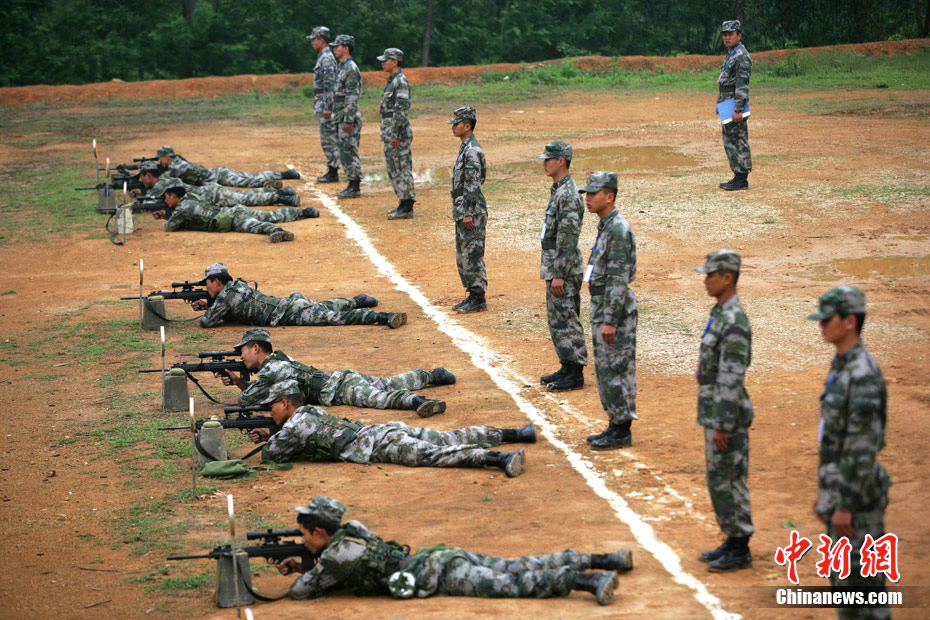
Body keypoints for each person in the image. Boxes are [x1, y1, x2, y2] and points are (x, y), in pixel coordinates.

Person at [275, 496, 633, 605]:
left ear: (320, 532)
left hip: (441, 573)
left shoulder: (337, 557)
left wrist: (305, 567)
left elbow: (301, 592)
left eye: (305, 535)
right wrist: (311, 557)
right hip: (442, 557)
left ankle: (587, 580)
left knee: (513, 584)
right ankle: (604, 558)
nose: (303, 540)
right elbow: (340, 565)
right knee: (517, 565)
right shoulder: (353, 531)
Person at [808, 286, 892, 620]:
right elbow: (834, 441)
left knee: (864, 594)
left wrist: (844, 504)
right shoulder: (842, 365)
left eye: (828, 319)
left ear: (850, 322)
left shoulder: (862, 374)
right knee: (846, 589)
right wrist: (826, 493)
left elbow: (861, 446)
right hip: (840, 492)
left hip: (857, 503)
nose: (821, 325)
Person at [251, 381, 533, 478]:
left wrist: (271, 436)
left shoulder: (292, 428)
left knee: (435, 455)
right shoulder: (310, 411)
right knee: (448, 436)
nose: (269, 412)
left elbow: (271, 456)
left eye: (271, 407)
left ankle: (499, 459)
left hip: (380, 445)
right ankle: (515, 433)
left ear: (285, 403)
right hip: (383, 430)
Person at [222, 328, 455, 418]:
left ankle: (418, 400)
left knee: (381, 398)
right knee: (388, 383)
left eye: (242, 350)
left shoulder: (269, 370)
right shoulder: (279, 359)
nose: (240, 356)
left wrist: (238, 385)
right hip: (341, 378)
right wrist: (239, 381)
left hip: (340, 389)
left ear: (255, 348)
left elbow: (247, 399)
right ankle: (431, 375)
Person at [694, 250, 754, 572]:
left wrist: (722, 423)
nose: (706, 280)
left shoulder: (733, 320)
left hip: (725, 416)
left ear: (727, 278)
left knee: (730, 480)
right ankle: (731, 539)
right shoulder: (720, 313)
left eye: (710, 275)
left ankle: (740, 546)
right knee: (720, 479)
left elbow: (733, 376)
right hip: (716, 410)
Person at [578, 172, 637, 450]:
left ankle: (622, 429)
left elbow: (618, 278)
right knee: (605, 368)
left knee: (616, 367)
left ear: (609, 196)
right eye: (587, 194)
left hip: (614, 310)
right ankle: (615, 423)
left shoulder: (617, 229)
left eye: (593, 194)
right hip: (602, 305)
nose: (588, 198)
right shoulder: (606, 225)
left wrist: (611, 320)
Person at [189, 263, 406, 329]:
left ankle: (381, 317)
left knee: (332, 318)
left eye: (207, 283)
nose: (205, 287)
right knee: (325, 307)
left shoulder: (225, 298)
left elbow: (207, 322)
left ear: (217, 281)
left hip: (286, 314)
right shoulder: (238, 285)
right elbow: (236, 309)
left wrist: (208, 306)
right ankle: (358, 300)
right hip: (290, 303)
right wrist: (210, 301)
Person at [536, 141, 587, 392]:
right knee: (558, 318)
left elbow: (567, 238)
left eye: (548, 159)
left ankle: (575, 372)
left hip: (563, 267)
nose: (544, 163)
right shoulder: (559, 189)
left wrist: (559, 274)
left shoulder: (567, 194)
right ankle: (567, 365)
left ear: (561, 162)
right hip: (556, 264)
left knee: (566, 317)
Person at [153, 185, 316, 243]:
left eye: (166, 197)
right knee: (269, 215)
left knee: (255, 226)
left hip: (231, 218)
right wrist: (167, 214)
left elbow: (170, 227)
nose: (166, 201)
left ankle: (275, 230)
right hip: (234, 210)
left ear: (174, 196)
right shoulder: (191, 198)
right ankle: (304, 212)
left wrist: (165, 216)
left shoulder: (181, 209)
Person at [448, 106, 487, 313]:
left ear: (467, 126)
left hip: (470, 210)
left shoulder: (471, 150)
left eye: (456, 124)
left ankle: (478, 297)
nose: (453, 127)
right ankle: (472, 294)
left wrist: (468, 212)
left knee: (472, 254)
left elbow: (474, 182)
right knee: (464, 254)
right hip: (463, 208)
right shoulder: (466, 147)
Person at [136, 161, 300, 208]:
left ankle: (282, 196)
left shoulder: (160, 186)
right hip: (210, 191)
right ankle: (282, 193)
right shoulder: (166, 178)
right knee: (244, 195)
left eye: (142, 177)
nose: (141, 180)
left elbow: (149, 205)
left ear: (148, 175)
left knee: (246, 199)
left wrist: (139, 199)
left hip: (210, 195)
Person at [377, 48, 416, 220]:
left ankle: (407, 205)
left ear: (395, 61)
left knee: (401, 167)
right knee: (394, 168)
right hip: (390, 131)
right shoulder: (392, 80)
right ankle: (402, 201)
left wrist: (395, 134)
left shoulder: (400, 81)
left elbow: (401, 110)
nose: (382, 62)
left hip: (397, 132)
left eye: (386, 60)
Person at [154, 145, 299, 189]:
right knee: (251, 176)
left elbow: (164, 180)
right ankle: (284, 174)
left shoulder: (174, 168)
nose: (160, 162)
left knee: (247, 181)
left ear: (167, 157)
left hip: (218, 176)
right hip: (219, 172)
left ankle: (272, 184)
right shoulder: (179, 161)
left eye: (161, 159)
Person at [717, 20, 752, 191]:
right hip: (727, 101)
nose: (727, 37)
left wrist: (738, 109)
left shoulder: (742, 55)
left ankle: (742, 178)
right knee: (730, 140)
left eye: (731, 33)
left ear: (739, 35)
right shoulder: (732, 53)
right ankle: (737, 175)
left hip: (734, 103)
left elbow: (742, 84)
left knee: (738, 140)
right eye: (725, 34)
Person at [306, 27, 341, 184]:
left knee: (328, 138)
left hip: (326, 104)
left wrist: (328, 106)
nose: (312, 42)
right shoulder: (324, 57)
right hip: (322, 103)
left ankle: (333, 171)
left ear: (322, 40)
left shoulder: (326, 58)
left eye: (314, 39)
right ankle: (332, 168)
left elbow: (330, 85)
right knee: (327, 137)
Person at [331, 34, 363, 199]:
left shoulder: (351, 68)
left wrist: (349, 119)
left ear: (347, 48)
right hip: (340, 115)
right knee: (344, 150)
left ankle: (354, 184)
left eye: (338, 46)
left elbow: (352, 96)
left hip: (347, 116)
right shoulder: (342, 66)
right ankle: (351, 181)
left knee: (350, 149)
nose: (335, 49)